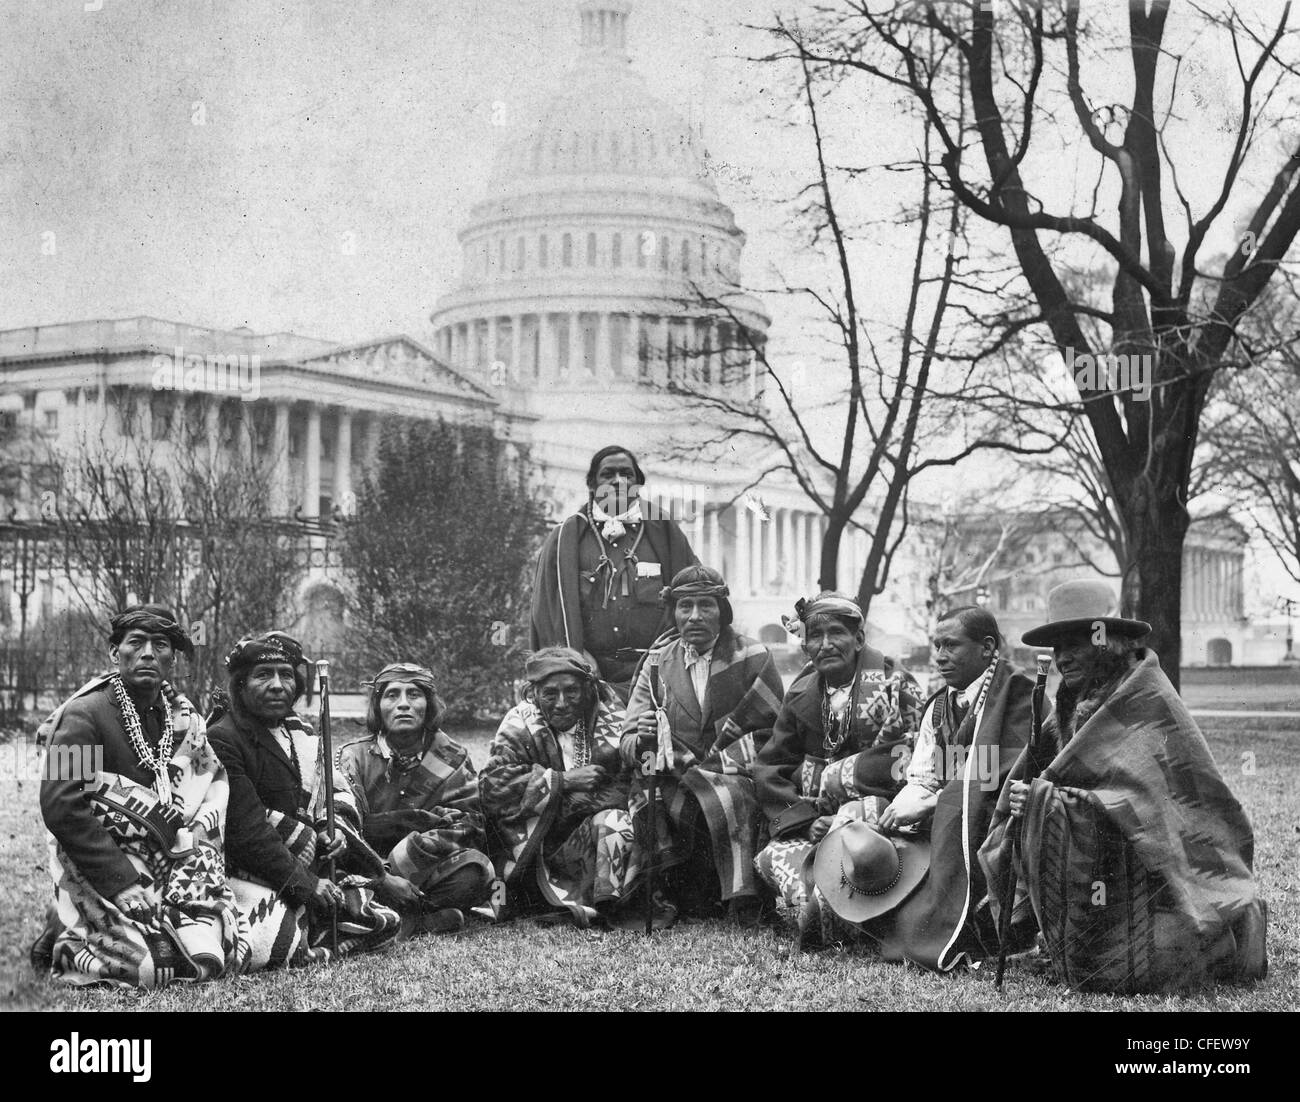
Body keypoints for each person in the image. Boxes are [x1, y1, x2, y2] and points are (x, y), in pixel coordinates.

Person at [979, 580, 1268, 993]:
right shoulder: (1070, 702)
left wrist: (1046, 802)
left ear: (1107, 641)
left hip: (1161, 876)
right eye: (1057, 649)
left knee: (1164, 957)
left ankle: (1102, 944)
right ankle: (1066, 938)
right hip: (1106, 870)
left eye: (1074, 644)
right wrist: (1026, 797)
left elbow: (1150, 807)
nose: (1062, 659)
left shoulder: (1145, 697)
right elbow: (1031, 772)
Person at [34, 604, 248, 988]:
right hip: (106, 866)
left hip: (174, 865)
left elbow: (209, 788)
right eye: (137, 642)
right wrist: (122, 881)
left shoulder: (181, 719)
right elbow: (61, 806)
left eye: (161, 644)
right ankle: (67, 935)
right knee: (147, 969)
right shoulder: (84, 715)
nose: (149, 653)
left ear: (172, 658)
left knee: (215, 954)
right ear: (115, 654)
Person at [823, 607, 1035, 968]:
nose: (939, 656)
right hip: (948, 811)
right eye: (937, 645)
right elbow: (921, 774)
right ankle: (837, 919)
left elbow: (997, 776)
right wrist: (905, 805)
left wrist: (930, 804)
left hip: (994, 819)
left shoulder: (1017, 696)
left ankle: (939, 927)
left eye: (951, 645)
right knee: (858, 817)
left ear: (987, 647)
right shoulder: (940, 705)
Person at [207, 631, 399, 969]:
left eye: (286, 675)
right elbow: (247, 830)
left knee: (379, 918)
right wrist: (305, 884)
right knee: (282, 941)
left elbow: (328, 799)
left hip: (306, 864)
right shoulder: (223, 738)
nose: (278, 685)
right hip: (246, 870)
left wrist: (331, 831)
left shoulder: (302, 735)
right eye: (263, 675)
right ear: (240, 684)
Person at [753, 592, 922, 949]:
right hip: (813, 820)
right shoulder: (801, 692)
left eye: (837, 634)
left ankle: (836, 911)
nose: (825, 645)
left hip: (880, 818)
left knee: (855, 843)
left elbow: (914, 758)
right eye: (815, 636)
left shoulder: (895, 685)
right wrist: (802, 819)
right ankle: (826, 905)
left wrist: (840, 786)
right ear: (805, 644)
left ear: (859, 639)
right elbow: (771, 765)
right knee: (770, 858)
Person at [620, 565, 784, 925]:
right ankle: (669, 895)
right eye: (685, 606)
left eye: (705, 605)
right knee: (648, 799)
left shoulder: (753, 656)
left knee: (732, 795)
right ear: (673, 612)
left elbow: (773, 735)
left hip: (736, 773)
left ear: (721, 611)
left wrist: (715, 767)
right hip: (674, 777)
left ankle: (744, 900)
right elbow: (629, 742)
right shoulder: (656, 663)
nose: (694, 616)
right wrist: (644, 738)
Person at [479, 647, 645, 927]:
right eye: (549, 694)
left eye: (572, 692)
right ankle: (556, 901)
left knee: (616, 822)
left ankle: (608, 907)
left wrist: (580, 805)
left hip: (594, 842)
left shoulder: (613, 719)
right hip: (537, 850)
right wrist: (563, 782)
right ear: (534, 693)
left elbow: (630, 785)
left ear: (588, 689)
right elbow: (493, 787)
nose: (561, 703)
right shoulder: (520, 721)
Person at [336, 662, 494, 936]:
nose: (404, 704)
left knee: (475, 871)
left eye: (414, 694)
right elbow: (345, 829)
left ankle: (387, 918)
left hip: (423, 870)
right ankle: (418, 921)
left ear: (428, 705)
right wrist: (384, 876)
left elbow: (470, 824)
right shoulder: (351, 758)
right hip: (366, 870)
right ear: (378, 706)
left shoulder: (452, 757)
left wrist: (408, 851)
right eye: (392, 695)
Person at [529, 445, 698, 698]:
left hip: (657, 673)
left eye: (627, 474)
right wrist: (574, 658)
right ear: (592, 484)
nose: (619, 481)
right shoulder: (565, 537)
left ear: (638, 483)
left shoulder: (663, 532)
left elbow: (694, 592)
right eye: (608, 474)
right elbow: (546, 611)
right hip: (586, 675)